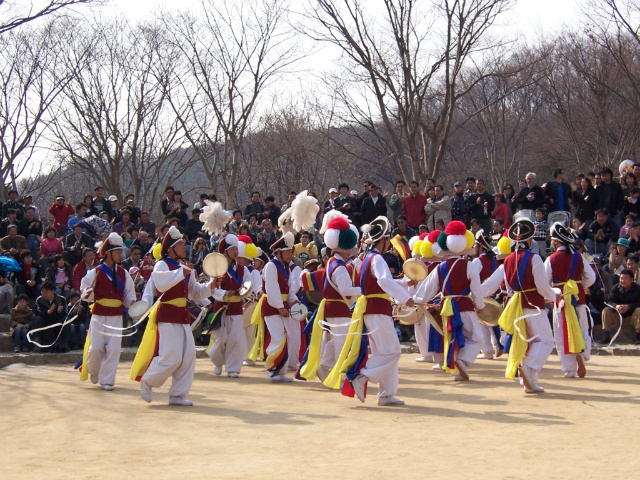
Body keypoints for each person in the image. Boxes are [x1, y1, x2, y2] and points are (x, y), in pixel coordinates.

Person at [327, 216, 413, 406]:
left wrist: (405, 283)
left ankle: (386, 393)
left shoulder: (366, 259)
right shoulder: (377, 259)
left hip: (372, 309)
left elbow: (378, 283)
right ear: (382, 240)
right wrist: (406, 298)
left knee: (384, 351)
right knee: (392, 351)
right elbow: (383, 281)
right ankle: (362, 376)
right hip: (377, 309)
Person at [135, 226, 215, 406]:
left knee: (188, 356)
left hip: (182, 315)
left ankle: (178, 394)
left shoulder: (185, 266)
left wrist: (211, 286)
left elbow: (194, 292)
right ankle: (148, 380)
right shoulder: (162, 264)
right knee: (170, 356)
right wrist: (182, 272)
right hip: (167, 314)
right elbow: (161, 284)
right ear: (171, 248)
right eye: (180, 245)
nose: (184, 248)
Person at [485, 218, 560, 393]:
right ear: (530, 239)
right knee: (546, 340)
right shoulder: (534, 258)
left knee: (529, 342)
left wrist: (477, 297)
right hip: (533, 304)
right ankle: (527, 366)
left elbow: (491, 284)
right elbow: (542, 286)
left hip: (515, 305)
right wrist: (554, 295)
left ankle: (530, 382)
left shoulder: (508, 260)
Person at [415, 221, 486, 381]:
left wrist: (414, 301)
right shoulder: (469, 266)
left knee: (453, 337)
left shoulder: (440, 268)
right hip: (464, 306)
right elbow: (476, 290)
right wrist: (480, 306)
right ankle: (463, 361)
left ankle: (458, 370)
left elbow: (426, 290)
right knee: (476, 338)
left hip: (446, 307)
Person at [298, 214, 361, 382]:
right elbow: (346, 290)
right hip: (339, 309)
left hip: (334, 309)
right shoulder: (339, 267)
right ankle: (339, 377)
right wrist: (363, 291)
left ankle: (323, 365)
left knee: (338, 341)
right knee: (342, 343)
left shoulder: (333, 262)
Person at [79, 233, 136, 390]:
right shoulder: (95, 272)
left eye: (120, 251)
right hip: (98, 315)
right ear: (108, 253)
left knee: (114, 349)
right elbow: (84, 290)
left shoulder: (124, 273)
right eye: (117, 252)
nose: (120, 254)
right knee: (96, 348)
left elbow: (129, 294)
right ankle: (94, 370)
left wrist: (130, 301)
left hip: (116, 316)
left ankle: (108, 380)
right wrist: (87, 293)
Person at [545, 223, 596, 378]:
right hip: (578, 299)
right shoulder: (578, 256)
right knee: (583, 330)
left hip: (560, 302)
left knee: (561, 335)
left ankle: (569, 369)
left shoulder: (551, 259)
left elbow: (545, 282)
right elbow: (591, 278)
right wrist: (578, 286)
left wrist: (553, 293)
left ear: (555, 242)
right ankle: (582, 354)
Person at [249, 232, 299, 382]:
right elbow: (272, 290)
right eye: (287, 252)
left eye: (290, 252)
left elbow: (289, 289)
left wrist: (293, 300)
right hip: (272, 307)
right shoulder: (271, 266)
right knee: (278, 337)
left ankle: (280, 371)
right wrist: (279, 307)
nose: (290, 255)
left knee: (285, 337)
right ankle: (272, 368)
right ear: (279, 252)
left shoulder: (286, 267)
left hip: (282, 306)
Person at [208, 234, 249, 378]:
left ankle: (232, 368)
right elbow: (212, 289)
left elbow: (247, 284)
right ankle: (218, 361)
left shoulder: (243, 269)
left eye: (236, 249)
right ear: (225, 251)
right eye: (232, 250)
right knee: (221, 338)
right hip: (221, 307)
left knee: (236, 338)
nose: (236, 252)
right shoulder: (217, 268)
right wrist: (225, 293)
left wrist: (244, 291)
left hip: (237, 307)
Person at [600, 269, 640, 345]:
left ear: (632, 279)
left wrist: (629, 306)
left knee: (639, 310)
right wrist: (616, 306)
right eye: (621, 278)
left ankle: (637, 336)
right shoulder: (615, 288)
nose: (622, 281)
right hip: (617, 317)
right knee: (606, 310)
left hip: (632, 318)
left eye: (625, 279)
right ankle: (607, 336)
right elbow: (609, 301)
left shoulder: (638, 289)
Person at [31, 281, 69, 352]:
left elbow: (66, 314)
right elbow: (37, 313)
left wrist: (59, 312)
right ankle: (37, 342)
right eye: (43, 292)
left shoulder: (62, 299)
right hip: (44, 323)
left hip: (57, 323)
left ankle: (65, 343)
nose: (44, 294)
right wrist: (48, 312)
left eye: (46, 292)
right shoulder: (39, 300)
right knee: (37, 319)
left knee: (66, 320)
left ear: (53, 291)